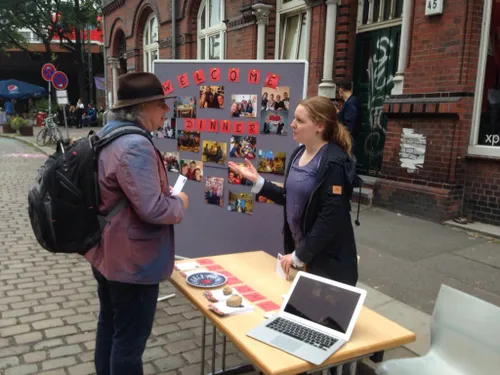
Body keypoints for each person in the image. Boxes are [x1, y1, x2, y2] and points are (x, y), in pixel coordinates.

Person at [84, 72, 189, 375]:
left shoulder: (108, 134)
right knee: (129, 343)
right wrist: (178, 204)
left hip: (107, 254)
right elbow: (154, 210)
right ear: (143, 107)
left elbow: (128, 194)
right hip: (132, 263)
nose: (166, 111)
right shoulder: (135, 145)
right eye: (161, 105)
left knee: (111, 326)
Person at [229, 96, 358, 286]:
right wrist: (259, 182)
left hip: (327, 264)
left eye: (299, 120)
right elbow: (292, 198)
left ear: (319, 126)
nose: (292, 124)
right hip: (302, 255)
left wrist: (299, 255)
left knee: (314, 314)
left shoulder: (334, 162)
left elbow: (330, 217)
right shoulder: (298, 153)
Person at [337, 81, 361, 149]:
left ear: (341, 90)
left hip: (348, 140)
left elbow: (350, 125)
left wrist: (344, 139)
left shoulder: (351, 103)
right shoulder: (350, 101)